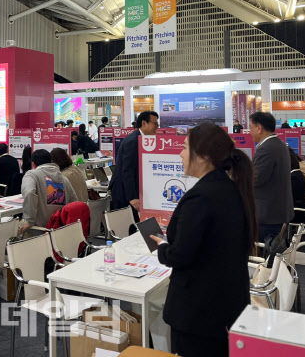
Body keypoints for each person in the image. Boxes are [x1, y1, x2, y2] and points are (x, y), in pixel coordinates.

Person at [151, 122, 256, 357]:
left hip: (198, 312)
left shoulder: (201, 197)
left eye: (186, 147)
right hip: (222, 305)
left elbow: (180, 255)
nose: (180, 153)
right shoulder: (229, 189)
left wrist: (162, 245)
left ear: (204, 156)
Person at [249, 112, 293, 242]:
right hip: (277, 210)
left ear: (259, 128)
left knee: (264, 256)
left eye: (251, 127)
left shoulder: (266, 148)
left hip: (268, 214)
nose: (249, 132)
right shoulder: (278, 144)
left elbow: (256, 179)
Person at [109, 111, 159, 220]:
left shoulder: (142, 139)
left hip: (130, 189)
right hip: (123, 191)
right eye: (155, 124)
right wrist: (132, 197)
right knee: (126, 227)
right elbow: (127, 170)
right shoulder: (133, 141)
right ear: (144, 123)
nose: (157, 127)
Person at [20, 149, 77, 232]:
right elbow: (74, 201)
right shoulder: (64, 179)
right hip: (60, 228)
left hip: (39, 230)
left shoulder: (32, 175)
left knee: (14, 231)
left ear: (33, 164)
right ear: (50, 161)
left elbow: (29, 193)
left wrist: (29, 220)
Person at [288, 148, 305, 223]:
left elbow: (290, 197)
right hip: (301, 210)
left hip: (296, 213)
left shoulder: (293, 177)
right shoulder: (297, 174)